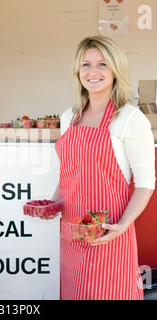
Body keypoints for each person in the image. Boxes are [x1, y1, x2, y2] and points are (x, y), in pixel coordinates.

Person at [51, 36, 155, 300]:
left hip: (110, 235)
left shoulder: (130, 119)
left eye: (102, 64)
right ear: (78, 71)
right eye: (85, 64)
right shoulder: (69, 116)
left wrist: (121, 225)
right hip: (71, 235)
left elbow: (145, 183)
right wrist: (52, 202)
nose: (92, 72)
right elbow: (69, 173)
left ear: (115, 70)